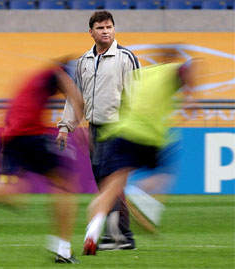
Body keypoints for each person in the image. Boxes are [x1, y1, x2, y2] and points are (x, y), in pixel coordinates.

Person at [0, 59, 84, 264]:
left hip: (11, 135)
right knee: (67, 184)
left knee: (16, 195)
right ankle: (63, 249)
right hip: (27, 134)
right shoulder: (56, 73)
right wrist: (75, 125)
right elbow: (76, 96)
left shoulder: (38, 79)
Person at [82, 59, 197, 255]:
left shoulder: (138, 75)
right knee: (164, 174)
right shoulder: (170, 70)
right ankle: (140, 192)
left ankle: (91, 233)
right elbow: (189, 67)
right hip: (148, 135)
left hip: (119, 133)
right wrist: (190, 96)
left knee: (111, 188)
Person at [56, 10, 140, 251]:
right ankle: (119, 235)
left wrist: (132, 128)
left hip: (118, 128)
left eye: (110, 27)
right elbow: (75, 97)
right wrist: (65, 126)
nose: (106, 31)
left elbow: (136, 95)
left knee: (110, 183)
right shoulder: (84, 61)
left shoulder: (126, 57)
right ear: (91, 32)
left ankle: (118, 236)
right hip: (95, 129)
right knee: (105, 184)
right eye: (101, 27)